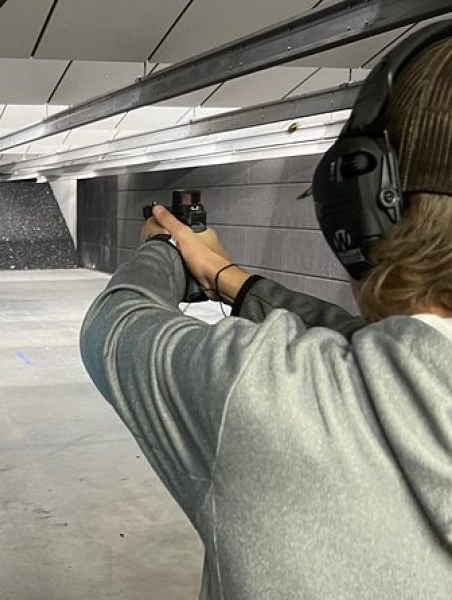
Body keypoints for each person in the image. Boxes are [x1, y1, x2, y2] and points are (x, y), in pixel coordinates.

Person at [79, 28, 452, 599]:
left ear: (361, 204)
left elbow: (116, 322)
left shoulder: (263, 394)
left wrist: (163, 249)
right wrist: (228, 278)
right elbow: (395, 352)